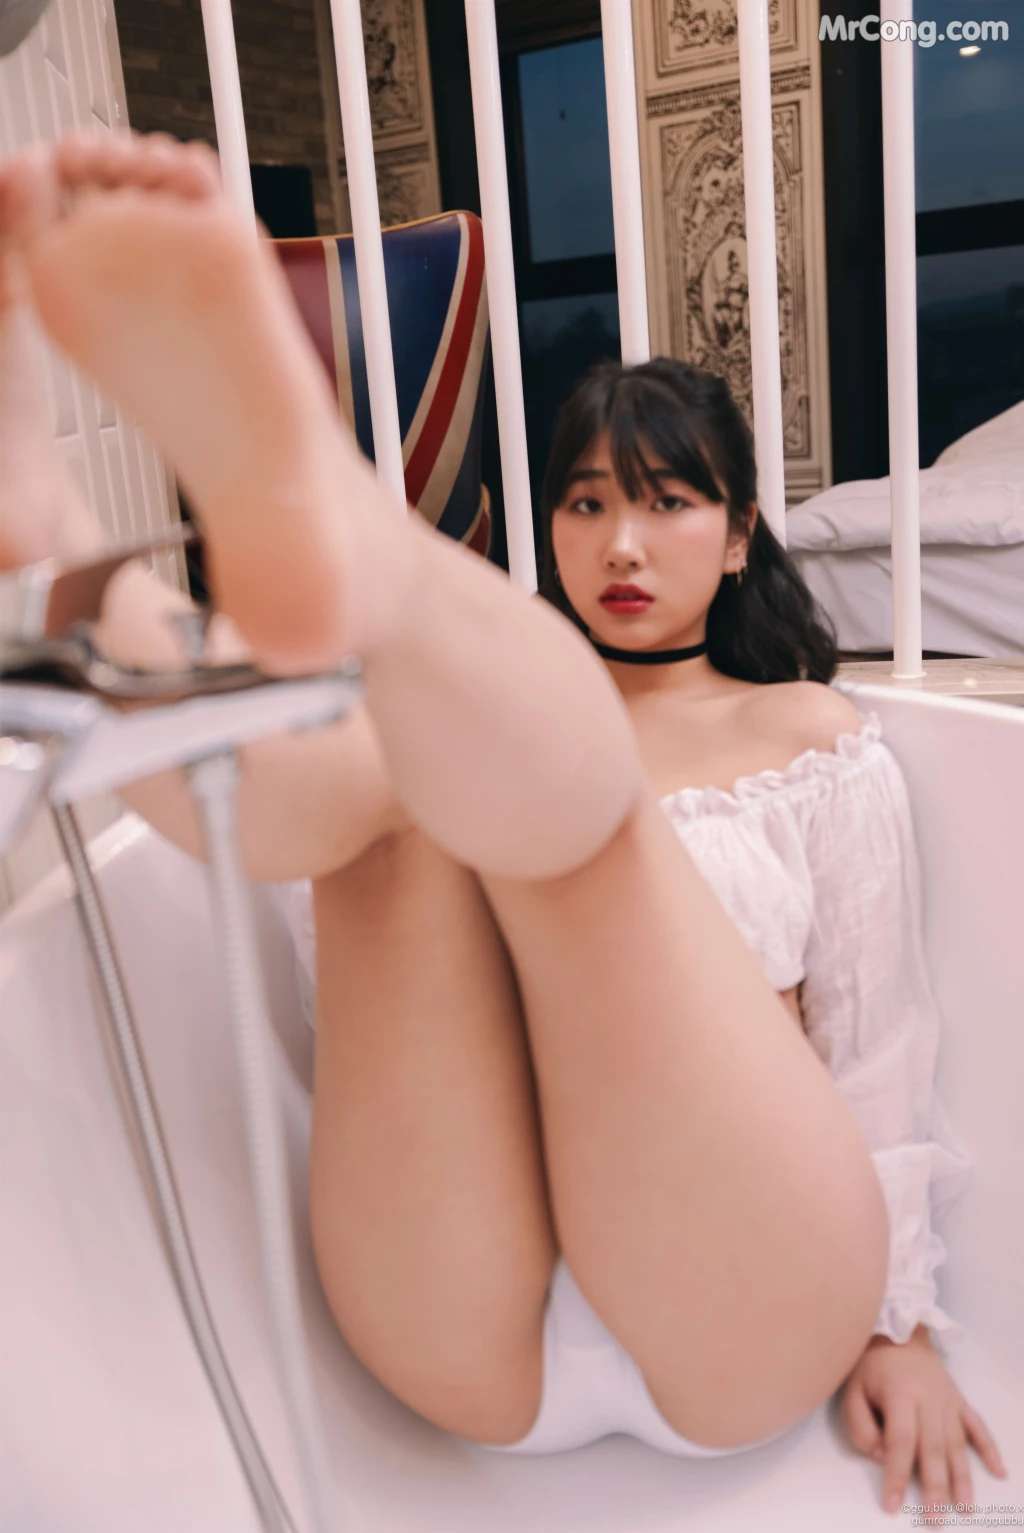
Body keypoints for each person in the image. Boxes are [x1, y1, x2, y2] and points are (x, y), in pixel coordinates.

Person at [0, 129, 1006, 1517]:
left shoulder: (813, 739)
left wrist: (904, 1326)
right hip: (459, 1313)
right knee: (399, 803)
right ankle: (48, 537)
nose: (622, 545)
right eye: (586, 504)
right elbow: (329, 944)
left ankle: (355, 551)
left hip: (742, 1300)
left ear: (739, 536)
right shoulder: (476, 718)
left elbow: (879, 1047)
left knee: (575, 831)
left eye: (666, 503)